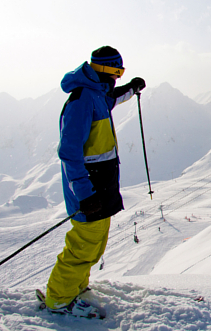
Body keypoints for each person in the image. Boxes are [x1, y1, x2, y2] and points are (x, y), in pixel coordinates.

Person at [45, 46, 146, 317]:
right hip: (89, 189)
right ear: (104, 69)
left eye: (121, 72)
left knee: (95, 245)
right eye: (117, 71)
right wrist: (84, 194)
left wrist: (132, 88)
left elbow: (113, 97)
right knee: (83, 246)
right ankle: (58, 299)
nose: (117, 77)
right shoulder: (82, 100)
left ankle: (76, 288)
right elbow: (69, 152)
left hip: (102, 185)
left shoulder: (98, 94)